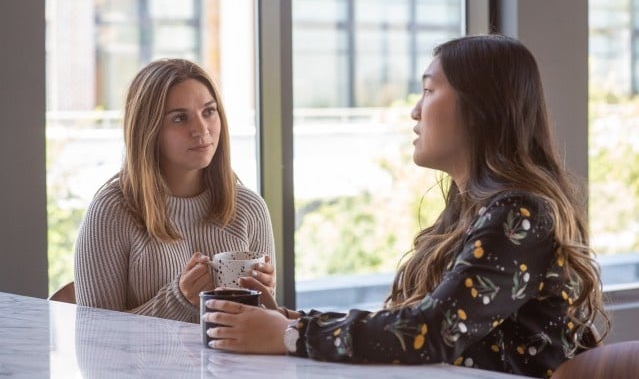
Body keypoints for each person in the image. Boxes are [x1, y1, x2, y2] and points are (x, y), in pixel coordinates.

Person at [201, 34, 610, 378]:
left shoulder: (520, 214)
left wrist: (291, 335)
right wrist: (288, 321)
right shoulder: (473, 208)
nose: (415, 111)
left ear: (481, 108)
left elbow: (430, 332)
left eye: (429, 90)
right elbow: (411, 321)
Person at [74, 58, 275, 323]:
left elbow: (261, 329)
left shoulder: (250, 208)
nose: (202, 130)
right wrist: (178, 300)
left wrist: (264, 297)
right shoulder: (111, 212)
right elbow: (95, 335)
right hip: (144, 367)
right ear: (148, 130)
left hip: (230, 366)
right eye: (180, 118)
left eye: (209, 111)